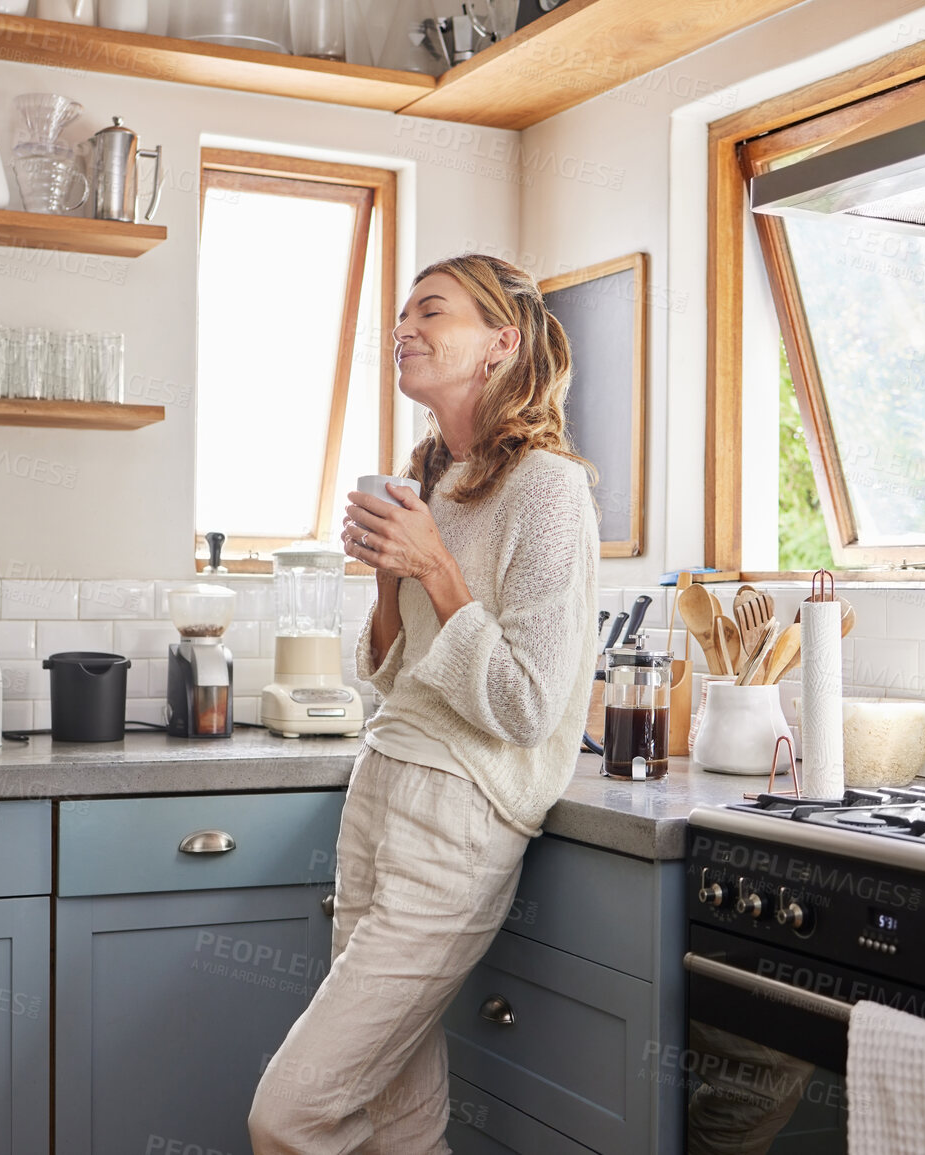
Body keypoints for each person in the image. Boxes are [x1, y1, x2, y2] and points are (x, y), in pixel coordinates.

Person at [248, 253, 600, 1154]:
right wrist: (384, 575)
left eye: (430, 310)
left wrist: (435, 566)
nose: (404, 326)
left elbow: (525, 705)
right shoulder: (436, 481)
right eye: (401, 313)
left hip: (460, 817)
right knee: (397, 1123)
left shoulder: (550, 489)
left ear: (499, 343)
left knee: (290, 1113)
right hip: (380, 789)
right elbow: (390, 676)